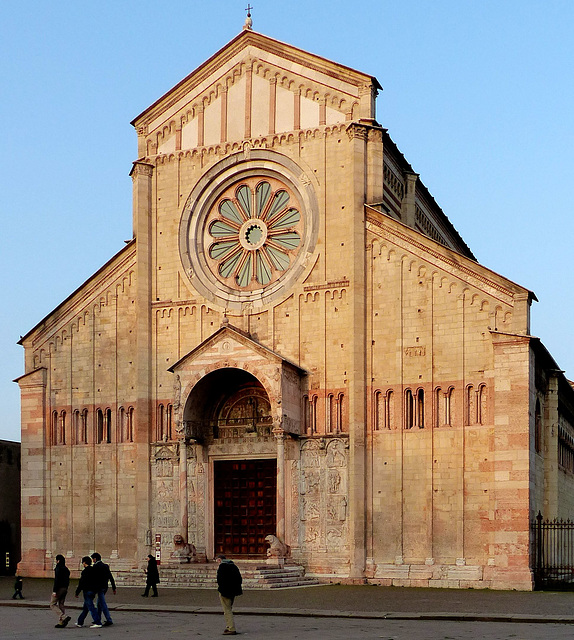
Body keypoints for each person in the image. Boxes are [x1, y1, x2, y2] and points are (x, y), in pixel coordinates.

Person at [216, 555, 243, 636]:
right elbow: (239, 579)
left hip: (225, 591)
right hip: (233, 591)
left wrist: (221, 589)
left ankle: (231, 628)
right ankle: (228, 626)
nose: (217, 562)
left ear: (220, 560)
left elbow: (219, 579)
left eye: (217, 560)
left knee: (227, 610)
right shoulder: (234, 566)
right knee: (229, 608)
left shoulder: (222, 567)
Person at [74, 556, 102, 628]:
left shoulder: (85, 572)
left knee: (91, 607)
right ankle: (80, 622)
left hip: (87, 591)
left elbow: (81, 583)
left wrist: (77, 592)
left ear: (84, 563)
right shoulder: (94, 570)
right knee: (86, 607)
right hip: (93, 591)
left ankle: (98, 622)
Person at [90, 552, 116, 627]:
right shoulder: (105, 566)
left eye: (93, 559)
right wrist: (114, 587)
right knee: (100, 603)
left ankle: (108, 619)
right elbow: (110, 577)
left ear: (95, 559)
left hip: (99, 587)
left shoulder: (95, 567)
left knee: (102, 603)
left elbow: (94, 579)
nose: (92, 560)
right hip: (105, 587)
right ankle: (98, 619)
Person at [51, 555, 71, 628]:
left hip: (59, 588)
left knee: (52, 604)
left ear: (58, 561)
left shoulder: (58, 568)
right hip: (65, 588)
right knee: (61, 604)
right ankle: (61, 622)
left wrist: (54, 591)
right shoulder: (66, 569)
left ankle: (63, 616)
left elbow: (57, 580)